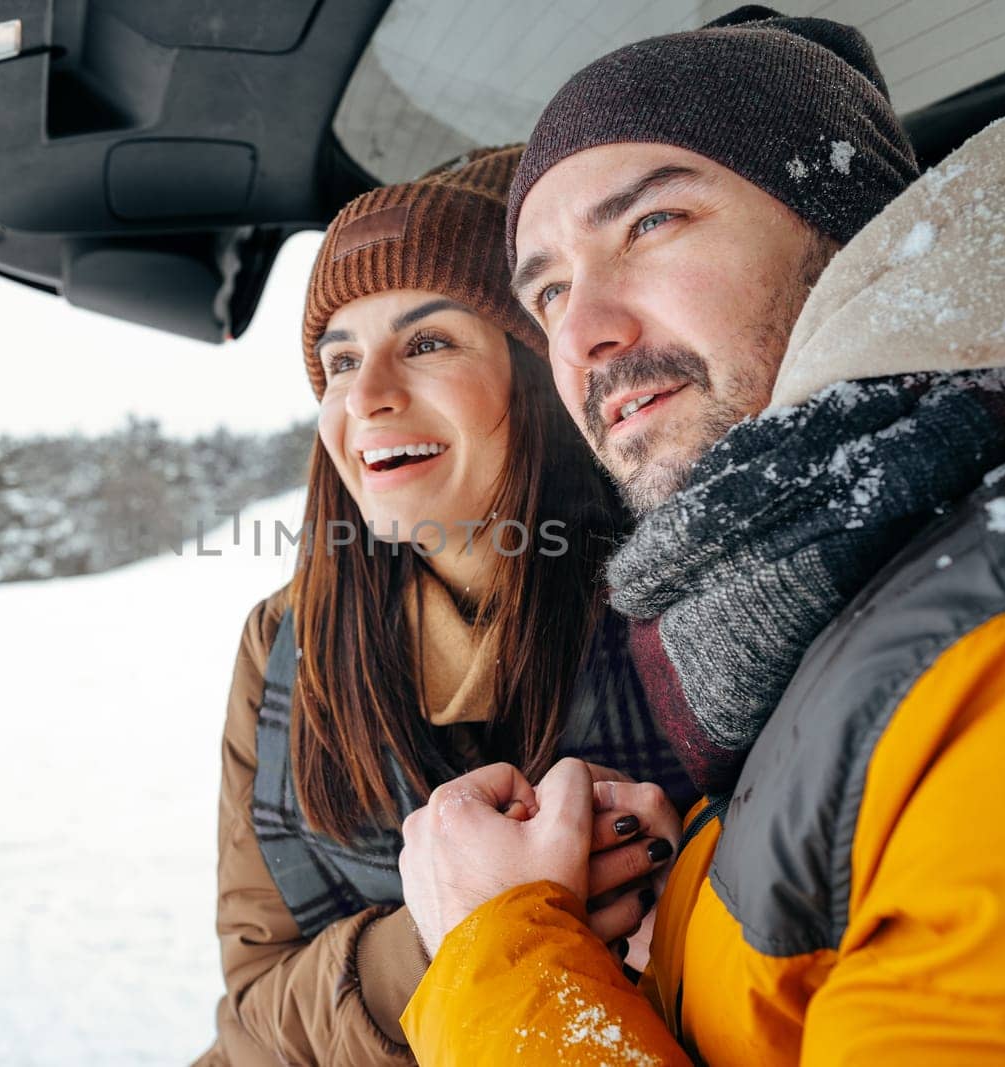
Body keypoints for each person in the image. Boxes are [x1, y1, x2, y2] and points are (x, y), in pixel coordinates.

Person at [396, 7, 1005, 1064]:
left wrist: (499, 949)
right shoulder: (835, 572)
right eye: (548, 288)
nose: (585, 331)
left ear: (852, 229)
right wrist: (672, 922)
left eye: (650, 224)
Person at [195, 147, 695, 1066]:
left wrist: (679, 889)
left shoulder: (695, 602)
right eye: (339, 361)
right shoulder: (283, 645)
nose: (367, 396)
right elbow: (257, 1006)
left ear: (539, 379)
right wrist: (449, 937)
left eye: (427, 343)